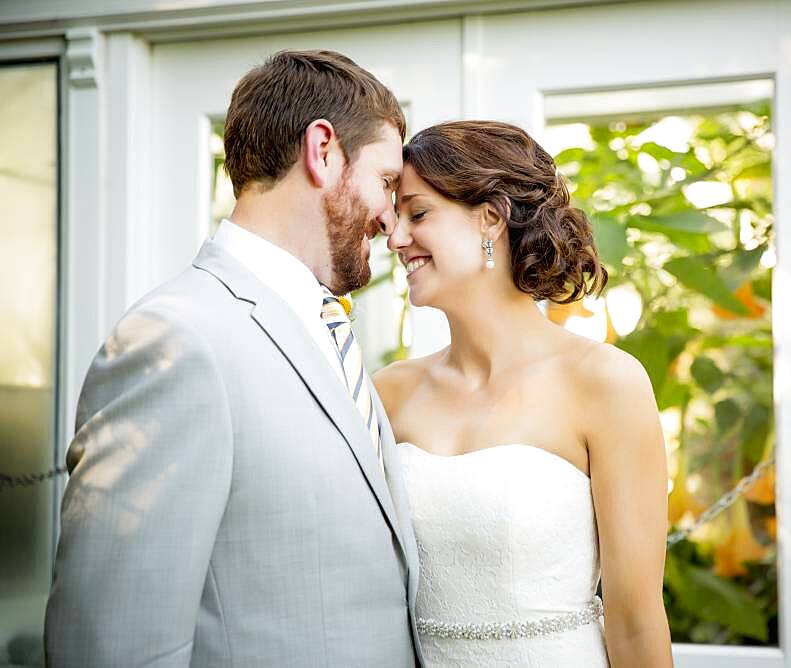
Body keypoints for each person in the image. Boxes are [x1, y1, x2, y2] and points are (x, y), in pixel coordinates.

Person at [44, 50, 423, 666]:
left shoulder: (329, 329)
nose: (391, 220)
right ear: (322, 151)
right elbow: (113, 644)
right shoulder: (173, 342)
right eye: (385, 182)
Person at [374, 120, 674, 667]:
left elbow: (635, 620)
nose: (395, 238)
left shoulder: (605, 383)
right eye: (395, 218)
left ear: (491, 218)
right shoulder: (389, 393)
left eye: (417, 214)